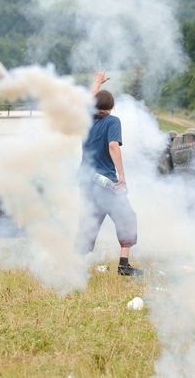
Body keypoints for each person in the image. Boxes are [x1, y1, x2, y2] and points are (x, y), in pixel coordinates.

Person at [76, 71, 142, 276]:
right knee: (127, 218)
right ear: (111, 108)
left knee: (89, 221)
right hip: (106, 182)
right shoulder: (112, 121)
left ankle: (76, 267)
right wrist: (122, 175)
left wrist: (96, 82)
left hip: (86, 180)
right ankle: (124, 265)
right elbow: (113, 146)